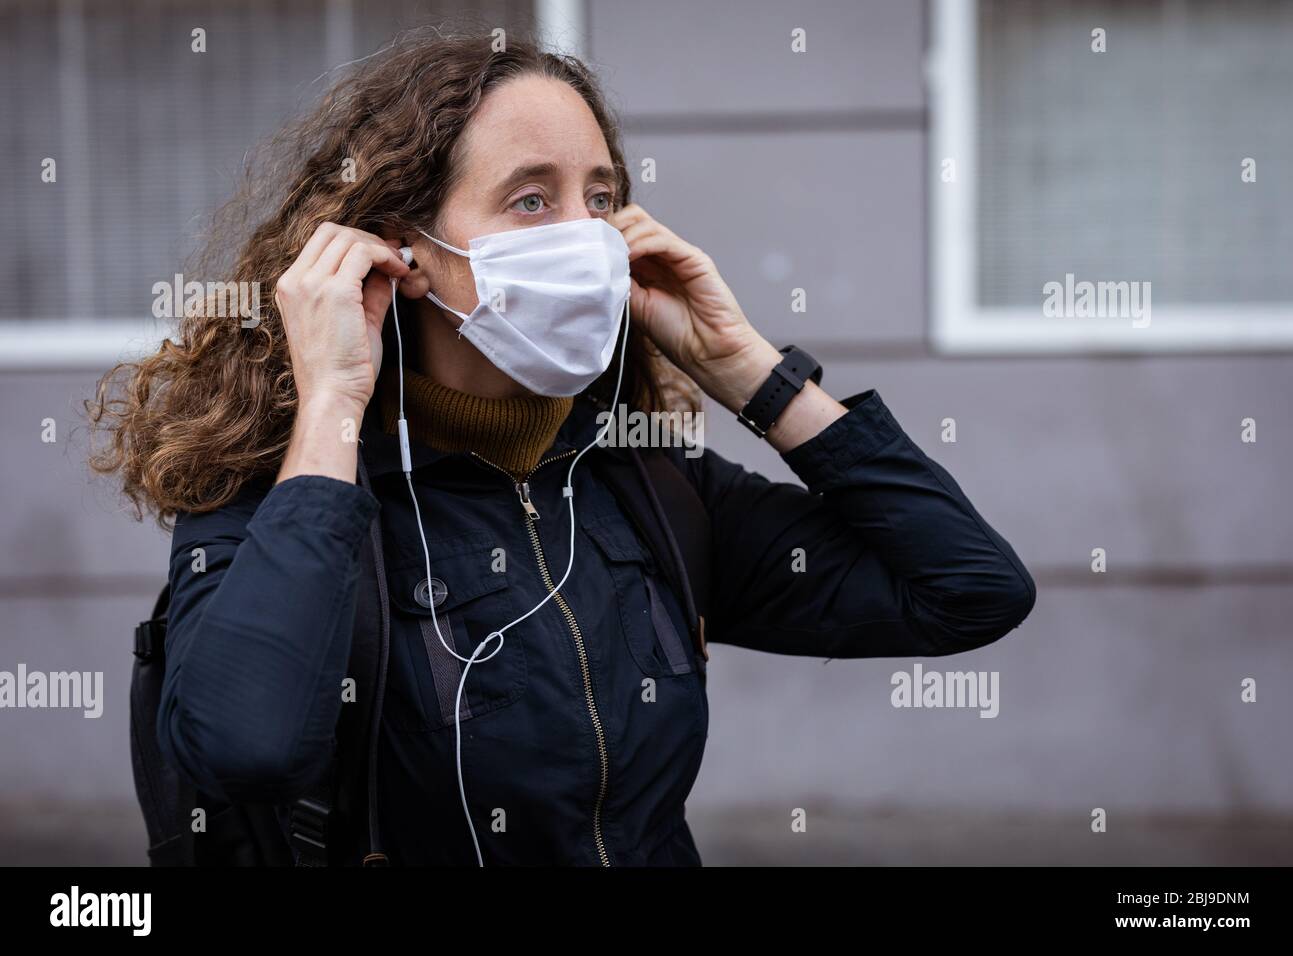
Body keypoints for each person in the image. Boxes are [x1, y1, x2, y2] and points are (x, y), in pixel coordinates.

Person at [88, 27, 1035, 866]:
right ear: (399, 252)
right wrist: (334, 398)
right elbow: (244, 745)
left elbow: (969, 590)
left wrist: (747, 367)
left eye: (601, 195)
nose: (587, 236)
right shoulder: (290, 502)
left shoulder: (649, 487)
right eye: (531, 201)